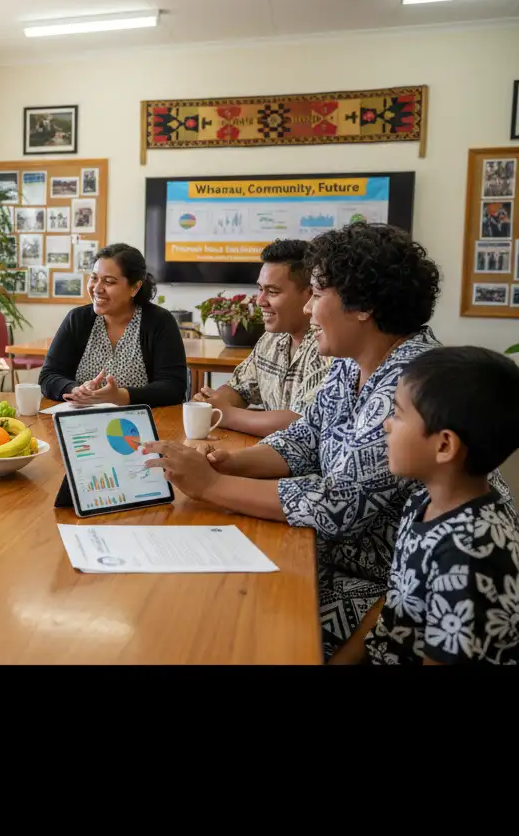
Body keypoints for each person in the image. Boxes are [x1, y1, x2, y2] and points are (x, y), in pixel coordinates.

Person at [141, 222, 455, 660]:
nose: (308, 309)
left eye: (318, 293)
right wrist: (227, 462)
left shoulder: (412, 383)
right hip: (339, 560)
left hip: (389, 592)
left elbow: (340, 504)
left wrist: (211, 487)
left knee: (226, 625)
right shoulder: (354, 362)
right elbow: (304, 438)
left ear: (362, 305)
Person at [328, 347, 518, 665]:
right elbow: (396, 601)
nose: (387, 425)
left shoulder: (471, 552)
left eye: (399, 415)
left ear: (444, 445)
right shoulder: (422, 501)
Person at [192, 239, 331, 437]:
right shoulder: (271, 339)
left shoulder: (331, 346)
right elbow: (241, 388)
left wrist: (227, 414)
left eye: (272, 292)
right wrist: (213, 403)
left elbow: (302, 423)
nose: (260, 301)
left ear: (310, 294)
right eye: (260, 289)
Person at [39, 243, 187, 408]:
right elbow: (48, 376)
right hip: (81, 422)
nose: (97, 288)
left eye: (109, 282)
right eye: (94, 278)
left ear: (135, 287)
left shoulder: (160, 322)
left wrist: (121, 396)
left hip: (140, 425)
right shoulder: (78, 319)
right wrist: (76, 390)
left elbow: (174, 387)